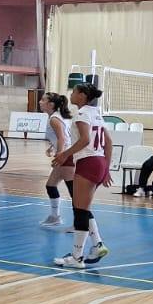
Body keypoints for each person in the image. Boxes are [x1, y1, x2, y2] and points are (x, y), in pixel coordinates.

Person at [51, 81, 110, 268]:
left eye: (74, 91)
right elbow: (108, 142)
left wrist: (64, 155)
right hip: (99, 162)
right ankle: (96, 245)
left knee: (79, 211)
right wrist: (106, 168)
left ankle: (77, 257)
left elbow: (85, 139)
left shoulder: (83, 114)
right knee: (83, 208)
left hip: (88, 162)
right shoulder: (96, 114)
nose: (71, 94)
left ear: (83, 95)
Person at [38, 91, 74, 229]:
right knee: (51, 185)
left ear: (51, 104)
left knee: (73, 191)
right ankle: (55, 217)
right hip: (64, 154)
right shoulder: (56, 117)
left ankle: (80, 223)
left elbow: (63, 138)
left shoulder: (54, 119)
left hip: (67, 156)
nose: (40, 102)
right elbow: (61, 137)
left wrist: (59, 155)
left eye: (43, 100)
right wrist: (52, 148)